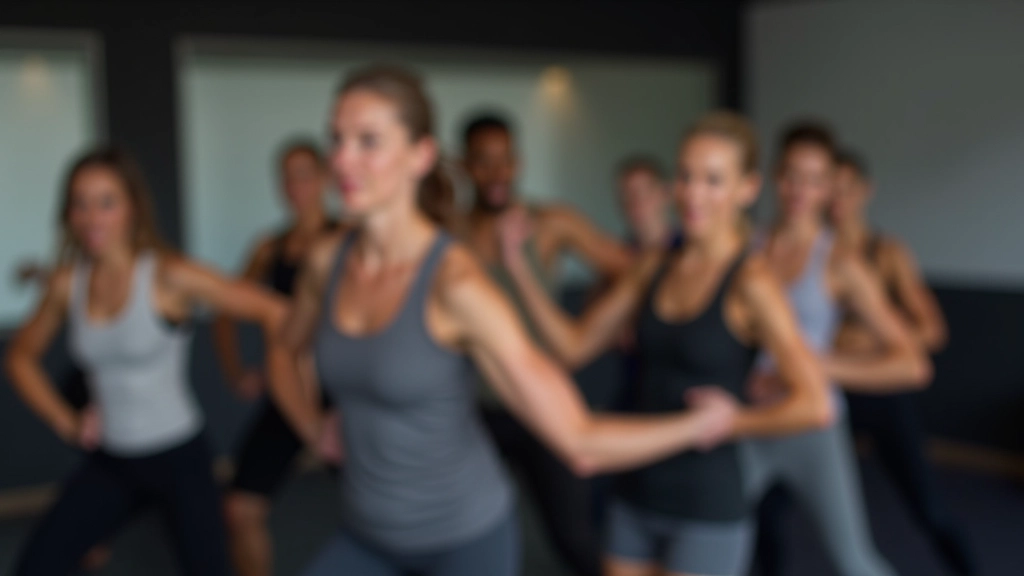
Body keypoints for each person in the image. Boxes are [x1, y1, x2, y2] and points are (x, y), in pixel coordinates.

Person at [266, 65, 742, 576]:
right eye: (336, 139)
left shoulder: (456, 284)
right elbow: (283, 348)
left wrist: (697, 424)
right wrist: (311, 427)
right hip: (367, 534)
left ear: (420, 155)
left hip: (463, 543)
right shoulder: (327, 263)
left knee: (574, 538)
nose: (342, 159)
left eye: (368, 141)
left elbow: (579, 439)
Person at [498, 110, 833, 576]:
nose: (692, 194)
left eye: (713, 180)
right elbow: (573, 345)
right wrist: (518, 269)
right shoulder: (654, 264)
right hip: (635, 491)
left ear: (747, 188)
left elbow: (815, 405)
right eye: (685, 176)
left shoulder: (752, 281)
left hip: (707, 501)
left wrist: (733, 422)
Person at [4, 146, 292, 575]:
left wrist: (290, 383)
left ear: (133, 207)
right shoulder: (67, 284)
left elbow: (275, 311)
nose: (92, 217)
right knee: (36, 567)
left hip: (179, 459)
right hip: (112, 462)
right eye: (80, 204)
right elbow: (20, 359)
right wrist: (67, 421)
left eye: (107, 202)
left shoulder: (168, 275)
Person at [748, 123, 933, 576]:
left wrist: (813, 365)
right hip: (749, 420)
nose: (800, 190)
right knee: (713, 543)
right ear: (775, 176)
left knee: (853, 561)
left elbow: (912, 364)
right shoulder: (748, 247)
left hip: (812, 425)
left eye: (814, 179)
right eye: (791, 175)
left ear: (829, 188)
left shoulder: (839, 261)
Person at [456, 112, 633, 576]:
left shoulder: (550, 223)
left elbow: (627, 269)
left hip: (541, 406)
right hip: (473, 411)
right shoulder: (451, 235)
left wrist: (598, 324)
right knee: (464, 536)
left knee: (574, 538)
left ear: (518, 162)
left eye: (505, 160)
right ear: (465, 166)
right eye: (483, 162)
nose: (497, 173)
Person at [831, 149, 975, 575]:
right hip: (829, 390)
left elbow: (932, 330)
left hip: (882, 391)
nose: (838, 199)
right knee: (778, 500)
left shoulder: (886, 252)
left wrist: (880, 337)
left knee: (928, 506)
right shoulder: (810, 253)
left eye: (847, 189)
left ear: (865, 191)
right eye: (830, 189)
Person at [212, 140, 345, 576]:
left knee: (387, 509)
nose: (294, 186)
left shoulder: (349, 238)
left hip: (346, 393)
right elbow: (224, 311)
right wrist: (236, 372)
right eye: (286, 177)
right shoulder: (269, 248)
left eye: (304, 174)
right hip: (289, 393)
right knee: (240, 509)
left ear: (324, 178)